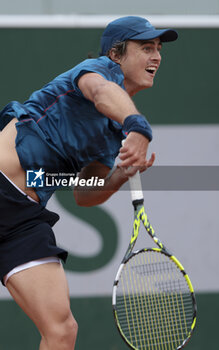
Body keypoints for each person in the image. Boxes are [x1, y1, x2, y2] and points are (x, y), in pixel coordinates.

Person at [0, 16, 178, 350]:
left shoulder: (112, 135)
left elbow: (84, 194)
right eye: (146, 47)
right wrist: (138, 127)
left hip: (22, 220)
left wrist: (118, 177)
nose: (156, 56)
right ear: (116, 55)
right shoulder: (95, 72)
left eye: (158, 49)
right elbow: (101, 93)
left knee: (62, 331)